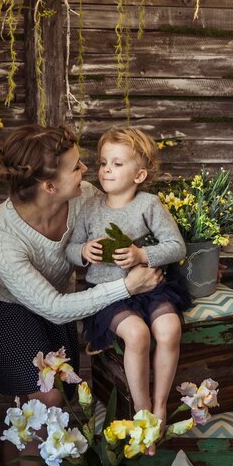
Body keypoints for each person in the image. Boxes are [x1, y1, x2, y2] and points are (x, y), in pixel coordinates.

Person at [0, 124, 164, 466]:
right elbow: (53, 306)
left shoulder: (84, 197)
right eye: (75, 166)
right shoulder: (2, 233)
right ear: (49, 186)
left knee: (29, 407)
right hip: (4, 308)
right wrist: (127, 288)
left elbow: (132, 224)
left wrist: (172, 258)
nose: (87, 169)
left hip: (57, 305)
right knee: (47, 399)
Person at [66, 127, 191, 449]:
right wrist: (82, 251)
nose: (106, 169)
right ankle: (141, 408)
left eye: (118, 164)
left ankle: (160, 404)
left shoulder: (149, 204)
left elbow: (176, 246)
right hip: (109, 296)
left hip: (149, 288)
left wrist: (141, 254)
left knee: (170, 327)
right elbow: (70, 248)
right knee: (137, 334)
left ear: (139, 175)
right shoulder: (89, 207)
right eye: (104, 162)